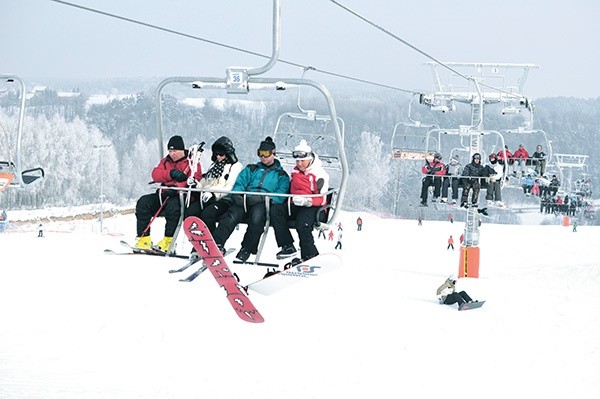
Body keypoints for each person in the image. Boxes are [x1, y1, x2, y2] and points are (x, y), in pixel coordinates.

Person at [211, 136, 290, 262]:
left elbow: (281, 194)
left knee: (257, 217)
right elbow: (240, 182)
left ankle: (247, 248)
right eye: (260, 153)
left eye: (266, 153)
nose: (263, 157)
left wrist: (264, 199)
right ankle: (217, 243)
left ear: (273, 153)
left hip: (263, 202)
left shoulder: (281, 175)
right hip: (246, 199)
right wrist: (237, 194)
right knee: (232, 215)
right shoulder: (252, 169)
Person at [134, 135, 202, 251]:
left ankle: (168, 241)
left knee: (172, 207)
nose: (172, 154)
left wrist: (177, 186)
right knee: (143, 202)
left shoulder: (192, 163)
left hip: (180, 196)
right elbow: (156, 174)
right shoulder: (165, 161)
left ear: (182, 150)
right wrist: (171, 173)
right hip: (163, 194)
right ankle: (143, 239)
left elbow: (195, 179)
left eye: (175, 151)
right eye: (170, 151)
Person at [270, 139, 330, 261]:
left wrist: (307, 201)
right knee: (276, 211)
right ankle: (287, 245)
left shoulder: (319, 174)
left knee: (302, 224)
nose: (300, 163)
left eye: (302, 160)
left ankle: (310, 255)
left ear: (310, 159)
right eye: (298, 161)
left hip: (313, 207)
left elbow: (321, 198)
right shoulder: (295, 172)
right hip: (295, 204)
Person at [184, 136, 243, 232]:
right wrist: (195, 184)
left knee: (208, 214)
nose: (218, 157)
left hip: (224, 199)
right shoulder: (214, 166)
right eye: (216, 154)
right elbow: (204, 183)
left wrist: (213, 193)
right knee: (191, 212)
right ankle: (198, 239)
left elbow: (230, 187)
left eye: (221, 154)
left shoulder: (235, 166)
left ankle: (212, 240)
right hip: (207, 198)